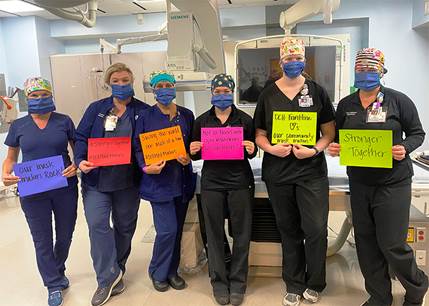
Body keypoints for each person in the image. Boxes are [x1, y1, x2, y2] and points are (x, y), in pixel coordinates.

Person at [327, 48, 428, 306]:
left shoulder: (398, 101)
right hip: (359, 183)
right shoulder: (347, 105)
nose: (365, 74)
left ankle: (417, 286)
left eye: (371, 70)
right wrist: (335, 146)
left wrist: (404, 147)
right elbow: (340, 137)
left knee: (392, 243)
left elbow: (417, 133)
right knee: (366, 242)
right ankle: (379, 295)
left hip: (393, 182)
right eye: (361, 69)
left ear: (381, 71)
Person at [253, 37, 335, 306]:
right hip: (278, 171)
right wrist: (271, 149)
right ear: (281, 61)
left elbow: (328, 133)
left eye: (298, 58)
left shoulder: (316, 91)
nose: (294, 63)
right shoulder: (268, 94)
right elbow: (260, 134)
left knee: (315, 228)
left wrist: (313, 150)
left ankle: (315, 282)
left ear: (304, 60)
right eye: (289, 59)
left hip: (310, 170)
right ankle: (294, 282)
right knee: (287, 229)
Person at [74, 63, 149, 306]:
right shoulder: (96, 109)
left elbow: (148, 143)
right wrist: (80, 160)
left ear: (132, 80)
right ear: (109, 83)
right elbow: (81, 137)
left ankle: (117, 267)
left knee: (125, 226)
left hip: (128, 181)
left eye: (125, 79)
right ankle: (106, 278)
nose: (120, 84)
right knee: (97, 225)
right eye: (115, 80)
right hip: (96, 180)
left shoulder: (143, 111)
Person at [2, 77, 78, 306]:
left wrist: (75, 166)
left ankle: (58, 267)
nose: (39, 98)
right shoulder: (18, 126)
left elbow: (78, 152)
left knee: (65, 234)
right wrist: (6, 173)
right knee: (42, 239)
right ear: (27, 97)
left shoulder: (64, 121)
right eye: (34, 95)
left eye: (44, 94)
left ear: (51, 95)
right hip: (33, 191)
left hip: (64, 187)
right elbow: (11, 158)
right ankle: (53, 283)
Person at [190, 74, 257, 306]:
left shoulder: (245, 120)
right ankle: (219, 282)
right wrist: (193, 148)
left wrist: (251, 147)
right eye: (217, 91)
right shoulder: (201, 121)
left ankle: (238, 282)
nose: (221, 95)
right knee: (214, 233)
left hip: (239, 181)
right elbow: (194, 153)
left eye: (226, 91)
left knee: (241, 234)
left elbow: (253, 150)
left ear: (233, 91)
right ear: (211, 93)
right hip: (212, 183)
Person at [134, 71, 196, 292]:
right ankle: (157, 271)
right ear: (153, 90)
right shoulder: (145, 116)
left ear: (174, 87)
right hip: (158, 182)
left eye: (168, 84)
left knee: (177, 229)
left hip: (182, 179)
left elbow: (193, 144)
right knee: (167, 230)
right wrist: (145, 166)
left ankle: (172, 271)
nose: (164, 89)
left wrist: (189, 156)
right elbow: (137, 147)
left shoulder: (186, 115)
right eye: (159, 85)